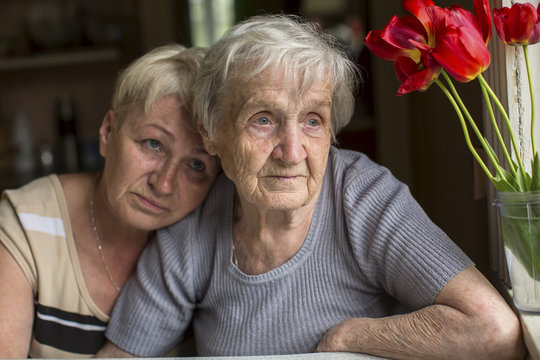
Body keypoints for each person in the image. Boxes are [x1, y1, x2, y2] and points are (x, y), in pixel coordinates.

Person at [98, 15, 525, 360]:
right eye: (263, 118)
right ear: (212, 133)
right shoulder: (195, 221)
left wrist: (348, 339)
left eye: (313, 120)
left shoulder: (364, 197)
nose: (292, 150)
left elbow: (494, 330)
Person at [0, 44, 219, 358]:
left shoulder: (213, 241)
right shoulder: (26, 225)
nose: (164, 184)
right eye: (153, 143)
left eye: (197, 165)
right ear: (106, 132)